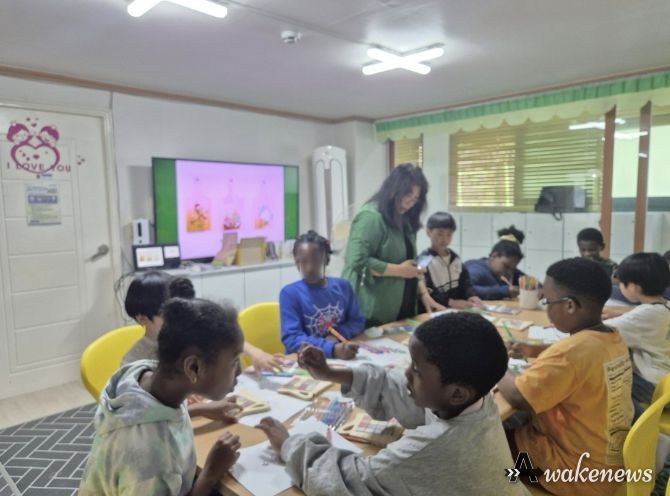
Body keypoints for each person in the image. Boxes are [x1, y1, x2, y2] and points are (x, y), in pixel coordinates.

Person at [255, 313, 528, 496]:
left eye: (416, 369)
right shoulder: (478, 400)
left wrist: (290, 445)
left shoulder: (428, 451)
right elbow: (405, 392)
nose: (407, 372)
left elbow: (343, 482)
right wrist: (331, 372)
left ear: (457, 393)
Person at [79, 298, 244, 496]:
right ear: (193, 368)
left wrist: (201, 409)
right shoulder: (151, 464)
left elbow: (154, 416)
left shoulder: (147, 377)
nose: (240, 370)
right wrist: (210, 473)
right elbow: (154, 455)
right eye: (234, 362)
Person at [497, 258, 633, 496]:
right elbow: (579, 358)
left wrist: (496, 363)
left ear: (570, 305)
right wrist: (532, 350)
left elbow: (519, 398)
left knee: (479, 446)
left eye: (548, 302)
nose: (546, 308)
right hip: (606, 462)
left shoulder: (570, 353)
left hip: (573, 473)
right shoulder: (612, 337)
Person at [121, 270, 284, 374]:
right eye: (172, 315)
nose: (182, 320)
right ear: (142, 318)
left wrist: (256, 353)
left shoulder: (189, 331)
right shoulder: (135, 361)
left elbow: (224, 337)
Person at [342, 164, 429, 326]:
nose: (410, 203)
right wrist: (400, 271)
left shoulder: (405, 218)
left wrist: (423, 291)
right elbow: (357, 260)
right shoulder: (371, 216)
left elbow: (408, 260)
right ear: (393, 189)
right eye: (407, 195)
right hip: (371, 308)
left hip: (401, 306)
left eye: (415, 199)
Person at [603, 252, 670, 417]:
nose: (620, 286)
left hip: (654, 385)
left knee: (603, 384)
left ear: (633, 287)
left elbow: (599, 330)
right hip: (665, 382)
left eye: (622, 283)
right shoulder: (664, 306)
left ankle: (637, 419)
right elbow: (643, 317)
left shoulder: (641, 317)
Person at [280, 230, 365, 359]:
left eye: (315, 261)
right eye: (303, 261)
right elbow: (292, 338)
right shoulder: (289, 294)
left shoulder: (343, 287)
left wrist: (336, 335)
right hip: (305, 359)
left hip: (341, 353)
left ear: (326, 260)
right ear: (296, 262)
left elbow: (357, 321)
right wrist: (331, 349)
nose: (309, 268)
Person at [417, 211, 482, 312]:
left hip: (457, 310)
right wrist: (451, 302)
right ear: (428, 232)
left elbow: (465, 282)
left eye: (449, 235)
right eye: (440, 234)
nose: (444, 239)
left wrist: (471, 295)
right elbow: (426, 290)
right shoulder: (423, 260)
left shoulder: (455, 258)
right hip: (435, 310)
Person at [465, 226, 526, 300]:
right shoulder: (476, 269)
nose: (510, 273)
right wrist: (505, 291)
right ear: (494, 256)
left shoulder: (508, 271)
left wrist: (536, 288)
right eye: (506, 266)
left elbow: (528, 281)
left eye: (513, 269)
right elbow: (465, 289)